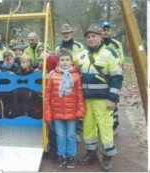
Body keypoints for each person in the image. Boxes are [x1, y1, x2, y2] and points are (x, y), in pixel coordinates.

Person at [74, 25, 123, 172]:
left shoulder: (110, 53)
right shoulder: (81, 54)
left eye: (94, 36)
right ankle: (91, 153)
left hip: (103, 100)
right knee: (88, 128)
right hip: (86, 100)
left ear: (101, 37)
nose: (91, 39)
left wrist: (112, 99)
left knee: (105, 127)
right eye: (88, 37)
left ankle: (107, 157)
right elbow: (70, 68)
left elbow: (117, 77)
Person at [44, 48, 86, 169]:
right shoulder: (53, 76)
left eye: (67, 60)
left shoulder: (76, 76)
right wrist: (48, 114)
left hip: (71, 113)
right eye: (62, 60)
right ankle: (61, 155)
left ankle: (71, 155)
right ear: (58, 61)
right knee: (60, 135)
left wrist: (80, 111)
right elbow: (48, 96)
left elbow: (79, 96)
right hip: (57, 112)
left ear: (71, 61)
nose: (65, 62)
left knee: (71, 135)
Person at [100, 21, 125, 136]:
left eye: (107, 30)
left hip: (113, 75)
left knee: (113, 101)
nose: (105, 32)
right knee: (101, 103)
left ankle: (114, 126)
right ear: (100, 31)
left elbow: (121, 60)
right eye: (103, 30)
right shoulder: (97, 42)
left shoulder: (116, 44)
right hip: (100, 77)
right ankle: (101, 126)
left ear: (110, 31)